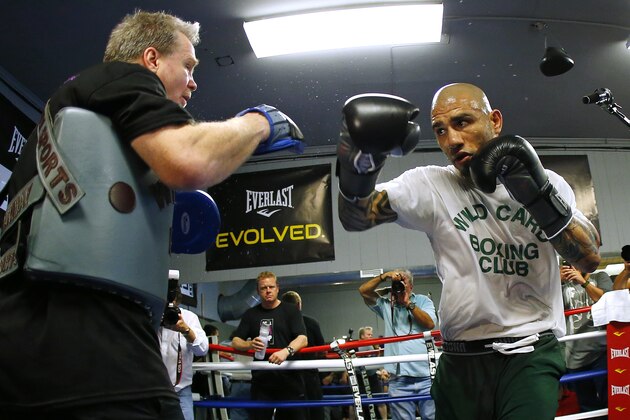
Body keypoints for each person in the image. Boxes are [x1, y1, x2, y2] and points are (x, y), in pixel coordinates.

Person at [0, 10, 302, 419]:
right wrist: (259, 123)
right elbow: (189, 160)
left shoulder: (77, 111)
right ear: (152, 59)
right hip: (88, 334)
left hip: (31, 332)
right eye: (189, 66)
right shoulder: (125, 78)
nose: (194, 81)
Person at [336, 83, 601, 419]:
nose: (452, 141)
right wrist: (359, 163)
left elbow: (588, 258)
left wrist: (537, 196)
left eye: (462, 123)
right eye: (440, 130)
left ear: (495, 120)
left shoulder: (548, 181)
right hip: (461, 360)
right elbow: (356, 216)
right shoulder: (433, 184)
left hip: (530, 352)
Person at [359, 269, 437, 419]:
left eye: (403, 282)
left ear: (411, 287)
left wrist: (408, 303)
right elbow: (363, 291)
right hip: (399, 379)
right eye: (396, 283)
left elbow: (430, 323)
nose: (399, 285)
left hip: (427, 375)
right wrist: (385, 277)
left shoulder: (422, 300)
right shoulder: (387, 305)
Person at [231, 271, 308, 420]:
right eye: (263, 288)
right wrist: (249, 344)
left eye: (271, 287)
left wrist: (285, 352)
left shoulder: (290, 310)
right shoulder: (251, 314)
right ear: (258, 291)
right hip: (262, 380)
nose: (268, 291)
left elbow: (303, 338)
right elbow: (235, 341)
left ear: (277, 288)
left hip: (289, 379)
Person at [560, 263, 612, 417]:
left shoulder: (600, 277)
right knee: (586, 405)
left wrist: (584, 283)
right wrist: (557, 281)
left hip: (600, 351)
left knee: (609, 400)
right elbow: (546, 304)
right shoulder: (560, 285)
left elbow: (608, 301)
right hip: (573, 355)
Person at [159, 285, 209, 420]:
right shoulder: (150, 315)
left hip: (180, 392)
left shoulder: (189, 317)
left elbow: (202, 349)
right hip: (152, 390)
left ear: (176, 299)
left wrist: (186, 330)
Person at [281, 290, 326, 420]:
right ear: (299, 304)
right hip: (308, 375)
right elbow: (322, 349)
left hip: (287, 375)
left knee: (290, 412)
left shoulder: (279, 325)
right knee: (314, 412)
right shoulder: (311, 322)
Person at [356, 326, 388, 420]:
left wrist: (380, 371)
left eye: (371, 334)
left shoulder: (372, 345)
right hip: (362, 376)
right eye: (368, 334)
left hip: (371, 375)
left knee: (378, 400)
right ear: (362, 336)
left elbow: (373, 363)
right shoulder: (362, 345)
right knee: (360, 402)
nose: (371, 336)